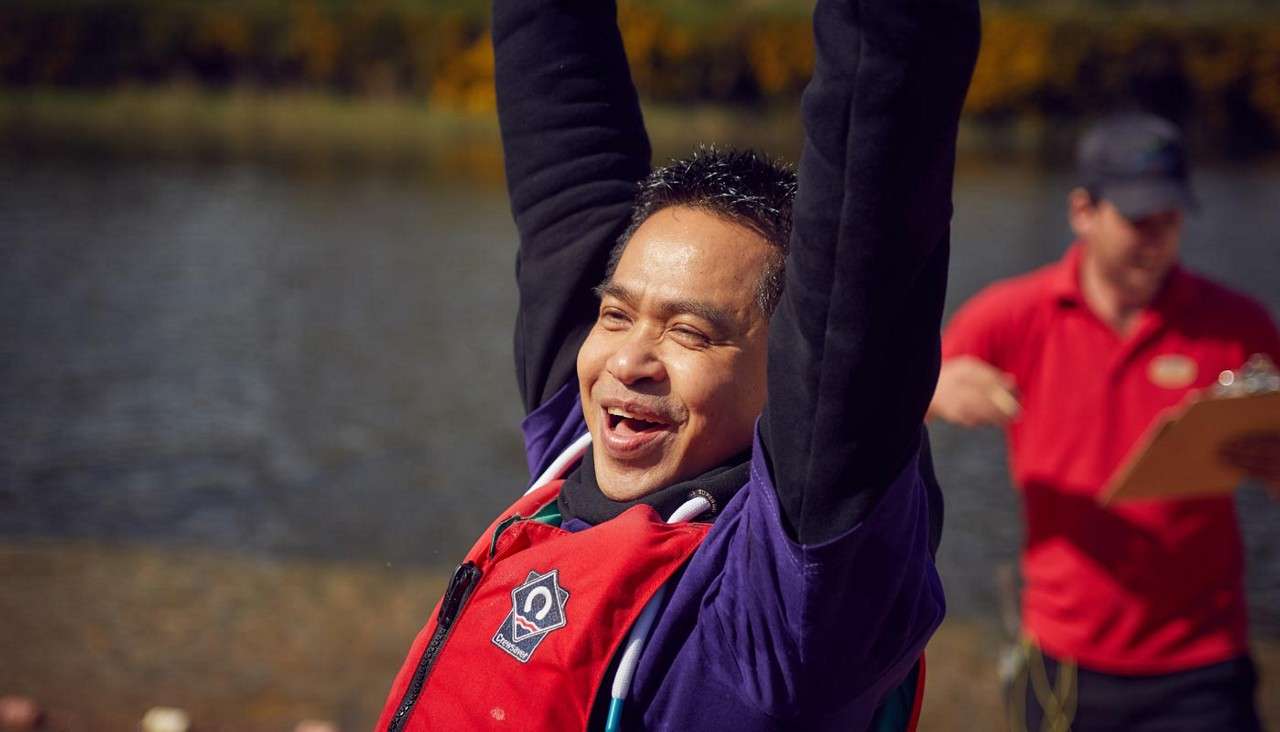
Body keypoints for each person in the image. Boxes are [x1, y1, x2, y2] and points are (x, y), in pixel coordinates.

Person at [373, 0, 979, 728]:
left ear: (788, 379)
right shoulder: (582, 445)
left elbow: (868, 208)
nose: (629, 360)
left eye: (692, 333)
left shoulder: (793, 609)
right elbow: (565, 133)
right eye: (616, 313)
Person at [929, 113, 1280, 731]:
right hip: (1065, 655)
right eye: (1137, 219)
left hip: (1202, 659)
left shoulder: (1238, 324)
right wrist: (930, 390)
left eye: (1170, 219)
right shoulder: (1014, 314)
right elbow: (881, 402)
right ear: (1083, 211)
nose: (1156, 237)